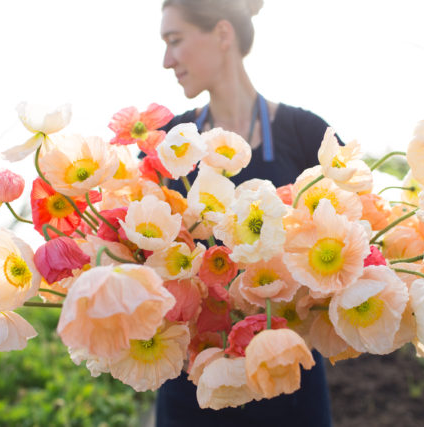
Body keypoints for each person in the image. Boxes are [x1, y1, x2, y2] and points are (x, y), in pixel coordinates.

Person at [155, 1, 335, 426]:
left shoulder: (306, 134)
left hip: (285, 374)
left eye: (175, 41)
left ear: (222, 34)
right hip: (195, 382)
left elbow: (354, 237)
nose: (166, 61)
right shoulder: (172, 144)